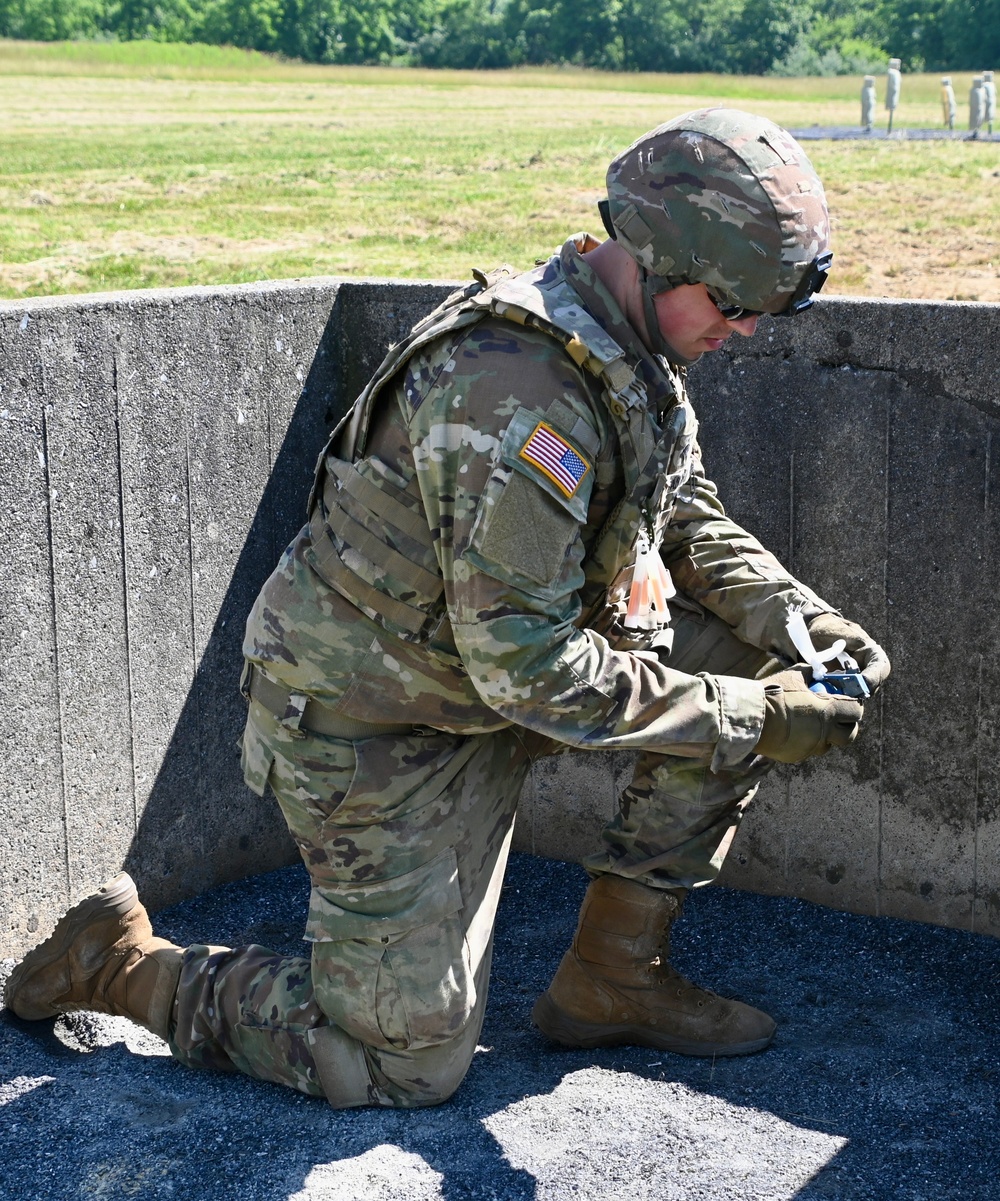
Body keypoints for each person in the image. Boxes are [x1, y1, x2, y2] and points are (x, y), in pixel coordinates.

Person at [6, 108, 889, 1110]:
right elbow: (532, 672)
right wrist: (758, 720)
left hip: (487, 672)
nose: (745, 330)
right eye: (733, 303)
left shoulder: (626, 348)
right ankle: (120, 966)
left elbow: (677, 511)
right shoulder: (519, 393)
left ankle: (611, 977)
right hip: (378, 726)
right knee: (400, 1061)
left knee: (758, 666)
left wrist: (795, 622)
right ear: (656, 259)